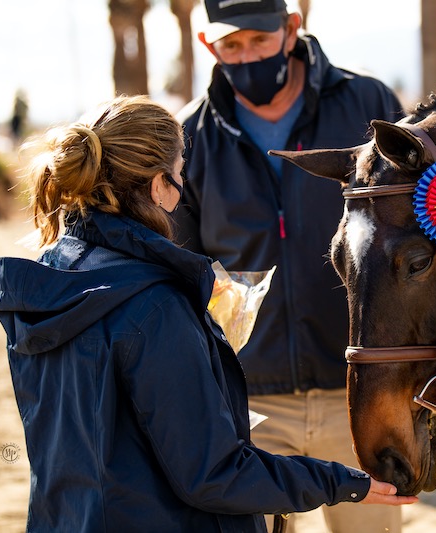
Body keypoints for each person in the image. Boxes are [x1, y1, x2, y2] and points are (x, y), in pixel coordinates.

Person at [0, 95, 417, 533]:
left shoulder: (45, 285)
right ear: (158, 186)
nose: (181, 191)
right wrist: (337, 481)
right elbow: (214, 475)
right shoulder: (153, 306)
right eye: (179, 177)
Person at [173, 1, 406, 531]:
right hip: (249, 409)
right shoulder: (188, 136)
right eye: (231, 45)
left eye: (259, 39)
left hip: (359, 397)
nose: (247, 54)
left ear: (292, 28)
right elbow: (181, 272)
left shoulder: (369, 105)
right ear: (209, 45)